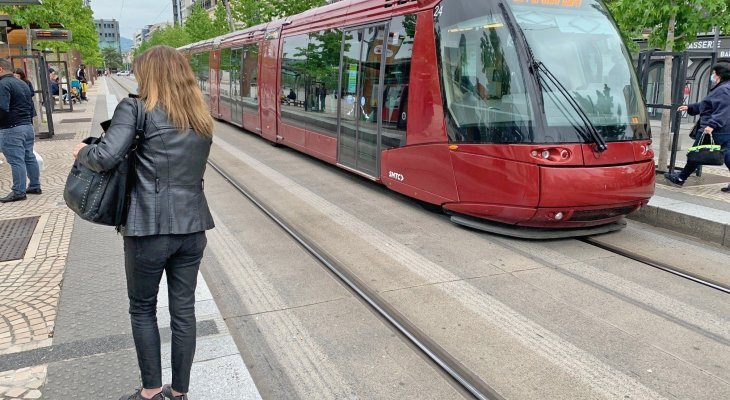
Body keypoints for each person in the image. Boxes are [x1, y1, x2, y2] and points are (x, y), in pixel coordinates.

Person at [72, 45, 215, 400]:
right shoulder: (200, 116)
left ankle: (151, 391)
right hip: (193, 228)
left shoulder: (135, 107)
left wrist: (82, 152)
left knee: (143, 308)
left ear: (148, 75)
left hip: (148, 229)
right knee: (184, 311)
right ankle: (179, 393)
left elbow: (105, 157)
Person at [665, 62, 730, 192]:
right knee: (728, 156)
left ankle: (680, 178)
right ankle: (681, 178)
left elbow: (724, 108)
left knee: (695, 154)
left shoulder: (723, 89)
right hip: (725, 129)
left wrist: (712, 125)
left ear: (719, 75)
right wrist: (690, 107)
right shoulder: (724, 87)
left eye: (713, 73)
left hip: (714, 130)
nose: (712, 75)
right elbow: (708, 104)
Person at [0, 58, 42, 202]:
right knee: (28, 156)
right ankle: (35, 185)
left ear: (0, 69)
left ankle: (18, 191)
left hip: (11, 128)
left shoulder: (3, 84)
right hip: (27, 126)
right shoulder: (22, 83)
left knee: (16, 160)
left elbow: (2, 108)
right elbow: (30, 106)